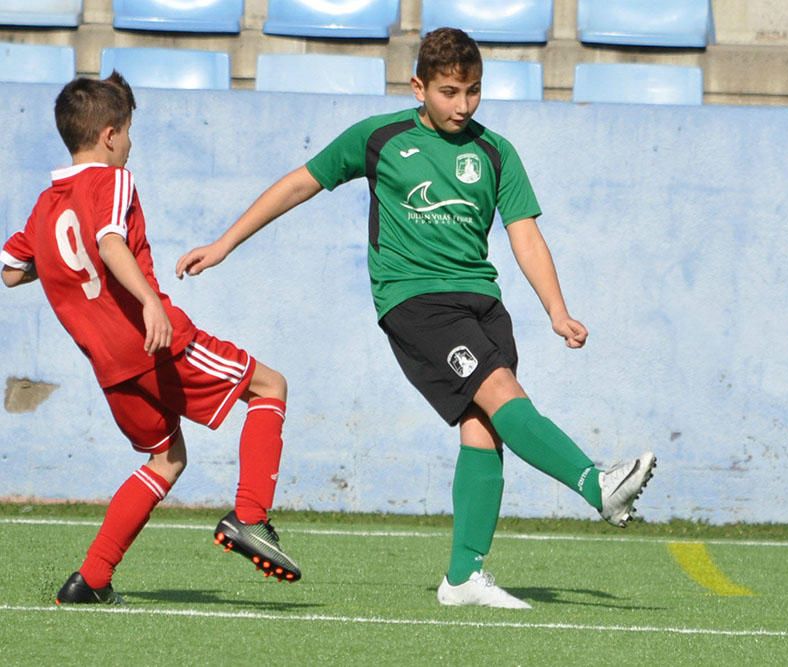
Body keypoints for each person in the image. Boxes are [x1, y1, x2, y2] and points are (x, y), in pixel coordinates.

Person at [176, 28, 656, 609]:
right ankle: (595, 484)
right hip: (415, 302)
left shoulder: (497, 152)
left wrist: (557, 310)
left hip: (482, 302)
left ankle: (462, 578)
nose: (463, 105)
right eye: (450, 92)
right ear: (419, 87)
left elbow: (525, 234)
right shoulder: (379, 139)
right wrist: (226, 243)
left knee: (484, 430)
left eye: (473, 91)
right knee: (503, 391)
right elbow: (301, 183)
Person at [1, 72, 301, 605]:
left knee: (166, 460)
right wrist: (149, 303)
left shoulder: (46, 206)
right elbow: (109, 241)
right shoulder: (112, 181)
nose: (131, 144)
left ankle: (91, 579)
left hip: (109, 368)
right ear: (111, 134)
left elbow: (10, 270)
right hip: (154, 343)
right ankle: (250, 516)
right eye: (130, 132)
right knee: (270, 386)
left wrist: (61, 270)